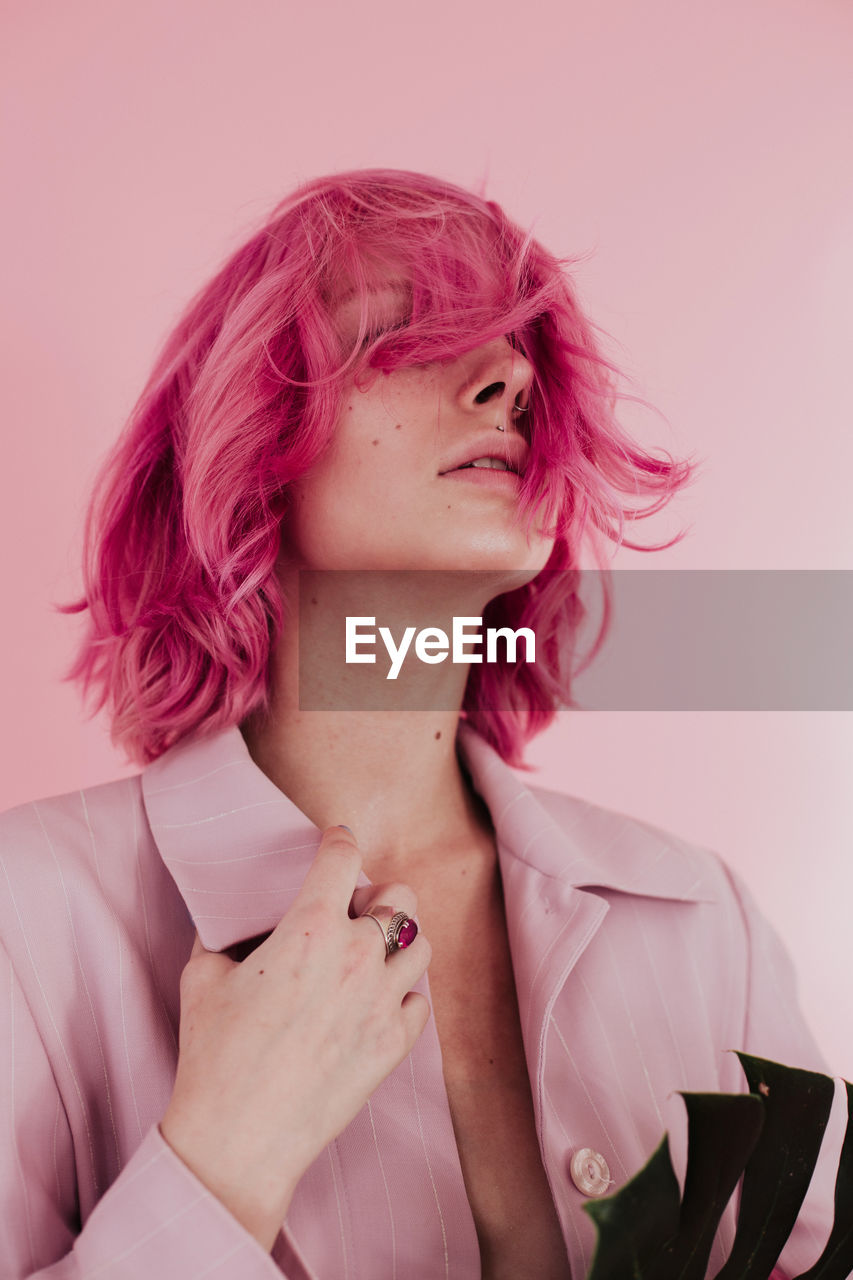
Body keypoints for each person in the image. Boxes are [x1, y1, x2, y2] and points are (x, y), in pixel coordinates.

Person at [0, 169, 837, 1279]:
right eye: (404, 337)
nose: (508, 378)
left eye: (515, 355)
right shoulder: (33, 918)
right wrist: (219, 1160)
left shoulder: (698, 921)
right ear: (253, 439)